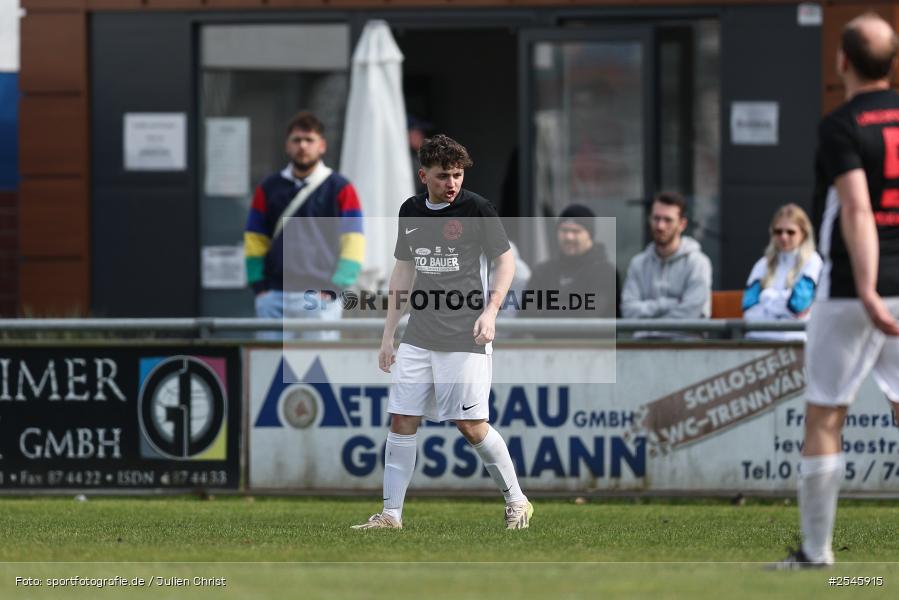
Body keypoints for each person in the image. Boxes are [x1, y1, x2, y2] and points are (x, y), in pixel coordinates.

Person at [352, 134, 532, 530]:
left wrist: (491, 312)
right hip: (419, 333)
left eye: (457, 175)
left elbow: (505, 263)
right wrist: (388, 335)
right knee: (401, 419)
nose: (452, 183)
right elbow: (403, 270)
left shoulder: (477, 209)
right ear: (423, 176)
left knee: (470, 426)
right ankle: (390, 516)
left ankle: (517, 500)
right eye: (443, 176)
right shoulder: (410, 211)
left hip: (465, 334)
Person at [772, 13, 899, 569]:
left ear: (842, 60)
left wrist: (867, 289)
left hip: (853, 289)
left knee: (825, 416)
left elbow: (855, 208)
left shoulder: (842, 124)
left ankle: (816, 554)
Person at [243, 111, 364, 340]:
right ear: (287, 146)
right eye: (296, 140)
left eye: (309, 140)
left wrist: (335, 288)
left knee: (319, 371)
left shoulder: (340, 188)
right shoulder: (269, 187)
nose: (302, 146)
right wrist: (260, 289)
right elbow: (254, 238)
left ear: (322, 146)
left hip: (320, 297)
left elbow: (354, 240)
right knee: (270, 372)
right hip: (274, 297)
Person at [621, 192, 712, 332]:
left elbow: (691, 315)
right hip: (642, 347)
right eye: (656, 218)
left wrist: (649, 324)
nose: (660, 226)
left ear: (682, 224)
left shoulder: (698, 263)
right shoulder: (638, 263)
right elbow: (628, 311)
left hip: (686, 347)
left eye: (668, 220)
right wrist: (668, 304)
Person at [526, 204, 619, 325]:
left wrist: (545, 311)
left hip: (590, 343)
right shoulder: (542, 271)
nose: (569, 237)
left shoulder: (605, 272)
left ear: (590, 235)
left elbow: (588, 314)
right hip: (546, 343)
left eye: (576, 231)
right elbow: (527, 312)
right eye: (564, 230)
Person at [742, 204, 823, 341]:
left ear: (803, 233)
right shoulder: (763, 263)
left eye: (790, 232)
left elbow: (797, 306)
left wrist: (766, 297)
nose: (784, 237)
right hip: (757, 340)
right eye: (778, 232)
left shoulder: (813, 261)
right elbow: (748, 309)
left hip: (797, 342)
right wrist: (783, 301)